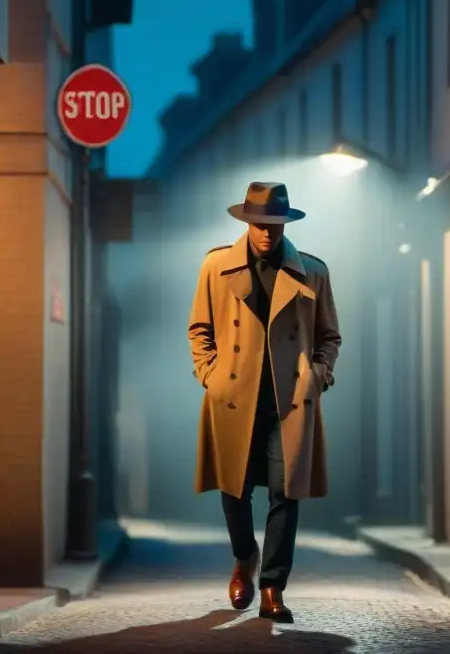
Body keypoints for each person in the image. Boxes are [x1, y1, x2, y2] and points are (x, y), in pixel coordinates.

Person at [187, 181, 342, 623]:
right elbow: (199, 328)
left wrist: (317, 374)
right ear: (247, 222)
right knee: (233, 488)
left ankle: (273, 585)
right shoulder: (216, 266)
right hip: (234, 396)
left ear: (285, 224)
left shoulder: (312, 271)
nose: (267, 233)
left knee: (284, 492)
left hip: (287, 400)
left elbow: (329, 336)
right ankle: (244, 557)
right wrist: (210, 374)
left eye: (274, 225)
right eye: (259, 224)